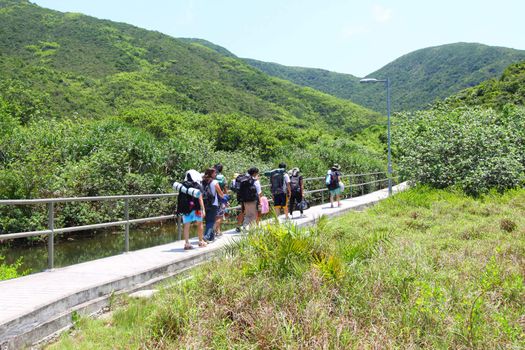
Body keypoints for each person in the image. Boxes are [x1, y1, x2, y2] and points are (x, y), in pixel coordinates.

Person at [176, 170, 207, 250]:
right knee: (199, 224)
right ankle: (201, 241)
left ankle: (186, 243)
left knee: (186, 225)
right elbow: (200, 198)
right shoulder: (197, 185)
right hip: (196, 208)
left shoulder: (182, 186)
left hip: (186, 209)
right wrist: (203, 209)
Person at [202, 168, 225, 242]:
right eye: (214, 173)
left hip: (205, 203)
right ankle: (206, 236)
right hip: (213, 204)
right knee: (211, 221)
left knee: (208, 221)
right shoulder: (215, 182)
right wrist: (224, 197)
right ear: (211, 174)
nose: (216, 174)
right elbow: (220, 193)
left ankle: (211, 237)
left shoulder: (203, 181)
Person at [213, 164, 228, 237]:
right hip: (220, 198)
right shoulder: (222, 177)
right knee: (220, 215)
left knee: (215, 215)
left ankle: (218, 231)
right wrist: (226, 198)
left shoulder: (212, 176)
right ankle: (213, 230)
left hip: (212, 198)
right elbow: (225, 188)